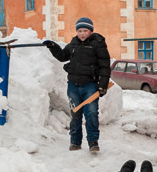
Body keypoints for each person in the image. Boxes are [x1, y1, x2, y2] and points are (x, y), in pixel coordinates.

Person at [43, 17, 111, 152]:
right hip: (73, 85)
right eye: (79, 31)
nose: (82, 33)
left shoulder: (98, 44)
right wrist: (53, 46)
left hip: (90, 85)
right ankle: (75, 142)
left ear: (91, 31)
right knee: (75, 114)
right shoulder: (74, 44)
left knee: (91, 113)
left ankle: (93, 142)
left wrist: (102, 85)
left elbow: (105, 66)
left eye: (85, 30)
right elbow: (62, 56)